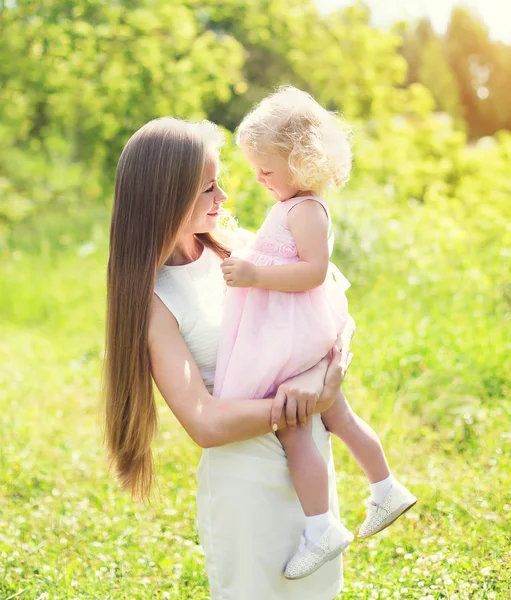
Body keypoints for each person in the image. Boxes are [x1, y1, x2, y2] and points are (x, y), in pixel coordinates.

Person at [103, 116, 353, 600]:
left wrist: (324, 375)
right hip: (247, 478)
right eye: (209, 188)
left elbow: (330, 308)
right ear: (168, 197)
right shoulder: (157, 301)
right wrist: (303, 400)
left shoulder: (240, 251)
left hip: (310, 463)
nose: (223, 199)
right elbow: (205, 422)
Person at [214, 86, 417, 580]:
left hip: (297, 330)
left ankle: (321, 526)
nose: (259, 179)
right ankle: (386, 489)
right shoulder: (290, 205)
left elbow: (311, 271)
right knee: (338, 416)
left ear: (302, 162)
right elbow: (273, 252)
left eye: (267, 170)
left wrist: (256, 276)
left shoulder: (307, 209)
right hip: (299, 326)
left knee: (293, 421)